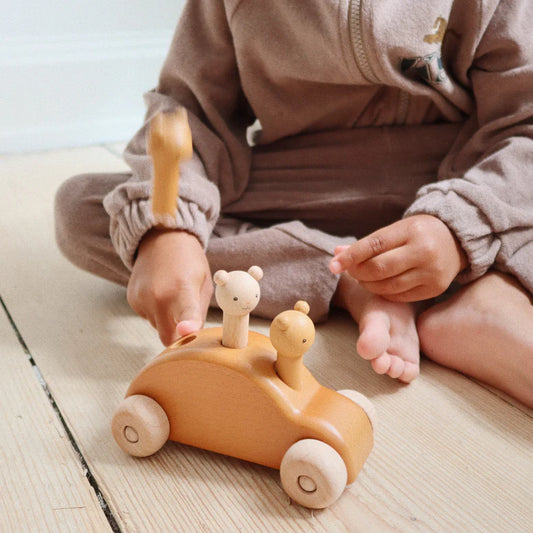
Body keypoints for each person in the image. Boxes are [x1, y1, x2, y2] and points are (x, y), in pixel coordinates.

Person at [54, 0, 533, 407]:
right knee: (87, 209)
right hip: (306, 177)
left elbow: (522, 125)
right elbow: (189, 111)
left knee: (516, 192)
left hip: (459, 174)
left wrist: (457, 227)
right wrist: (167, 230)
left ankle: (478, 293)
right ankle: (355, 281)